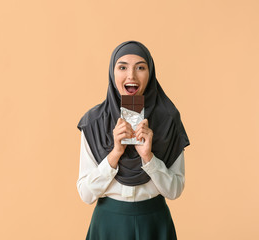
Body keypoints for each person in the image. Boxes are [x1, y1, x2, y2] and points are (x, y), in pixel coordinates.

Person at [76, 40, 190, 240]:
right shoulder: (94, 122)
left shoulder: (168, 118)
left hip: (154, 222)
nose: (131, 75)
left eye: (140, 67)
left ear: (150, 72)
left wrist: (148, 157)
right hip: (108, 224)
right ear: (113, 73)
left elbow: (174, 191)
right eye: (122, 67)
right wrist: (115, 153)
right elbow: (86, 194)